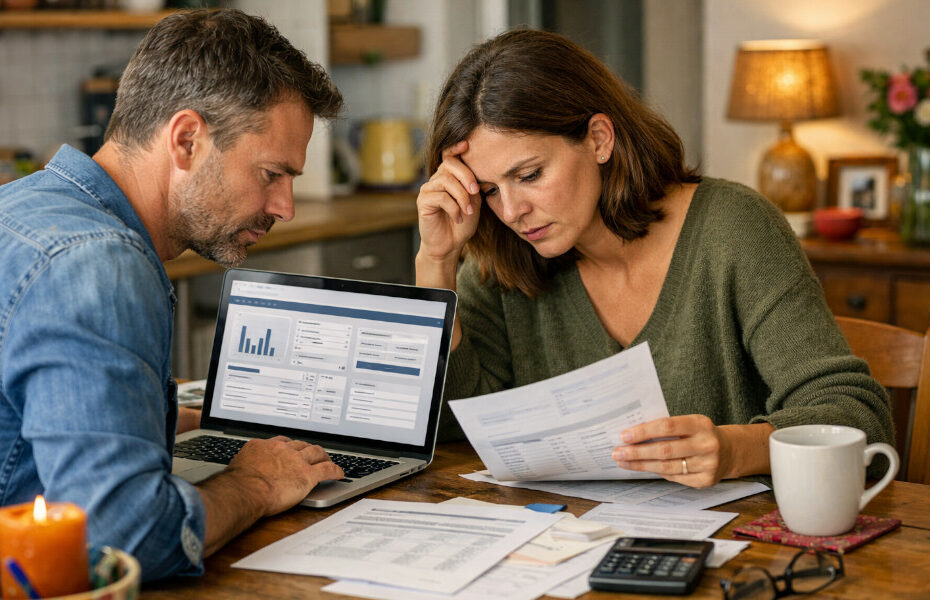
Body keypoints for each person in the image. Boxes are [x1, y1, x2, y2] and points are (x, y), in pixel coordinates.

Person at [416, 29, 893, 488]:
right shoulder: (500, 262)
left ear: (599, 139)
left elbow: (859, 421)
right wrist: (437, 261)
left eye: (529, 175)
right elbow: (446, 431)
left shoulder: (734, 230)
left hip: (739, 538)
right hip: (563, 536)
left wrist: (735, 450)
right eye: (489, 190)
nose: (511, 211)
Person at [0, 10, 345, 580]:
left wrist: (163, 414)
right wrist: (259, 482)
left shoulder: (21, 208)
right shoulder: (99, 264)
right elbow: (123, 537)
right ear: (187, 139)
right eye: (271, 174)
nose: (285, 207)